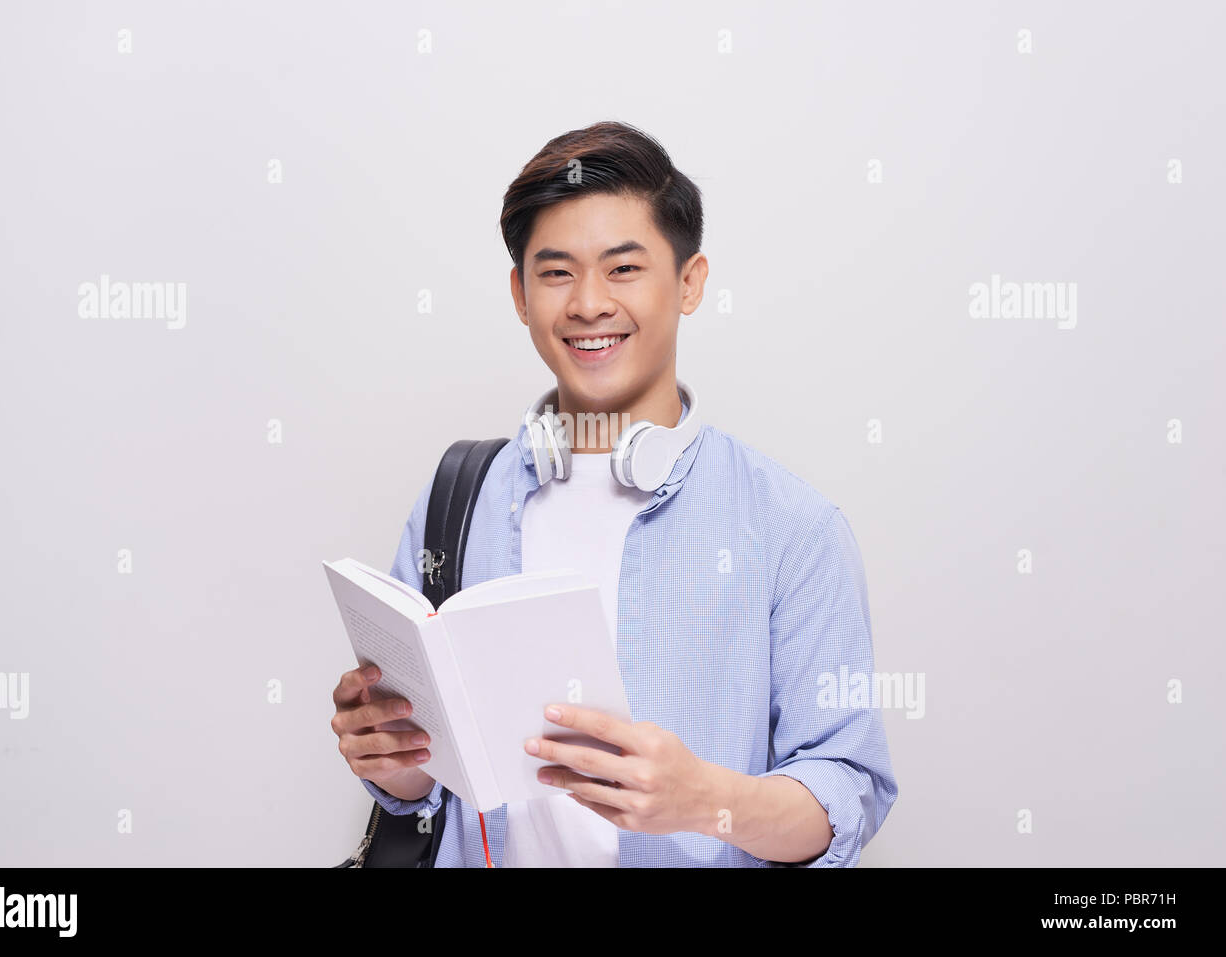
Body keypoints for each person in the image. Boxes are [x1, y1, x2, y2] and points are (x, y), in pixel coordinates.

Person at [330, 120, 898, 867]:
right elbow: (423, 784)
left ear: (689, 282)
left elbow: (846, 791)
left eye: (624, 268)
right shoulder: (456, 499)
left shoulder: (793, 527)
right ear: (520, 292)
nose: (589, 304)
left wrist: (704, 798)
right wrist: (389, 753)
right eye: (557, 272)